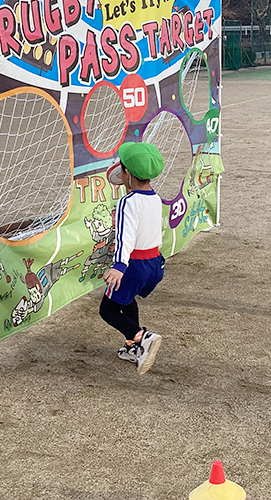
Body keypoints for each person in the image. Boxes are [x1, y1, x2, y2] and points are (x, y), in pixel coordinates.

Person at [99, 141, 166, 374]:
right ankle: (132, 345)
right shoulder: (155, 198)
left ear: (126, 174)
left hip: (133, 264)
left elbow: (125, 237)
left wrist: (119, 265)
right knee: (126, 300)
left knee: (107, 311)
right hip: (154, 263)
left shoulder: (127, 202)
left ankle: (142, 337)